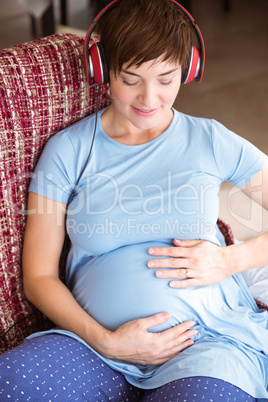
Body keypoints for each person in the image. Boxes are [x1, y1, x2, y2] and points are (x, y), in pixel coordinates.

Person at [0, 0, 268, 400]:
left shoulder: (211, 140)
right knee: (11, 381)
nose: (149, 98)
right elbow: (39, 278)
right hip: (94, 348)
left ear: (189, 69)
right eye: (131, 78)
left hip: (207, 345)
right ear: (102, 68)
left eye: (166, 78)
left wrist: (230, 260)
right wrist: (108, 341)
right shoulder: (67, 150)